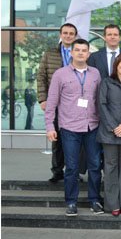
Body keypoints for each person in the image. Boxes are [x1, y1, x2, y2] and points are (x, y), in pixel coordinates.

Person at [44, 39, 103, 216]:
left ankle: (95, 200)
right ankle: (71, 201)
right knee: (71, 167)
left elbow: (99, 100)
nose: (80, 53)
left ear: (88, 54)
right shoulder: (60, 75)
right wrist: (49, 126)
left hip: (92, 126)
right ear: (71, 52)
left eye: (84, 50)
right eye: (77, 50)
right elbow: (52, 103)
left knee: (94, 165)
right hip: (69, 127)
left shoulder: (95, 74)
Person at [37, 23, 78, 183]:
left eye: (71, 33)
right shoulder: (50, 54)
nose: (68, 36)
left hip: (74, 104)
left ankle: (72, 171)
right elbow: (41, 76)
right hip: (54, 104)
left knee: (73, 139)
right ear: (60, 34)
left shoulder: (79, 53)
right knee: (57, 138)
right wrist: (43, 98)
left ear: (75, 36)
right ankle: (57, 171)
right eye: (65, 33)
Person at [97, 53, 121, 216]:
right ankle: (112, 204)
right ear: (116, 64)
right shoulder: (106, 82)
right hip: (109, 133)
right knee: (111, 168)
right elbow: (102, 105)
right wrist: (114, 127)